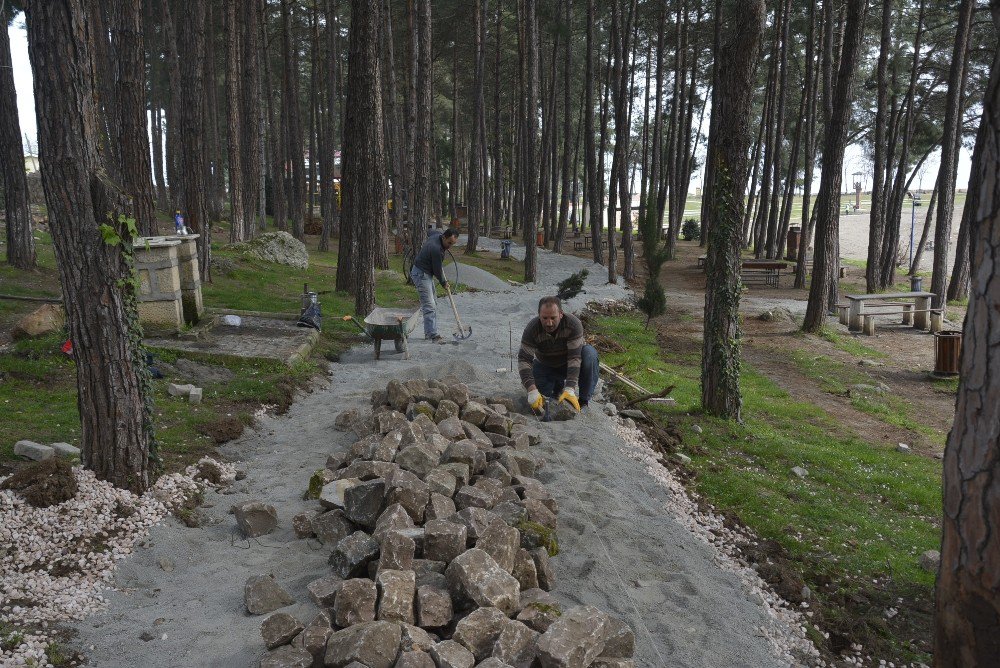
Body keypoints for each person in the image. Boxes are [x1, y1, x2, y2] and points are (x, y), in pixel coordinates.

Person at [518, 296, 599, 413]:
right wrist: (531, 389)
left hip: (569, 364)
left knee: (589, 353)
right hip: (546, 366)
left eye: (553, 318)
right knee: (541, 400)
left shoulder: (573, 324)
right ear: (539, 315)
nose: (549, 323)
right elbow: (524, 360)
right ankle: (557, 388)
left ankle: (583, 401)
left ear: (561, 314)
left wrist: (570, 388)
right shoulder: (532, 328)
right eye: (544, 318)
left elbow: (574, 358)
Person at [410, 227, 458, 343]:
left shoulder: (436, 235)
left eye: (453, 244)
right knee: (429, 305)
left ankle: (429, 332)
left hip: (426, 273)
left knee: (433, 302)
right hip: (421, 274)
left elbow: (429, 231)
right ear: (444, 237)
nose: (450, 246)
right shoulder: (436, 250)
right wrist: (444, 283)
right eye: (449, 243)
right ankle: (432, 335)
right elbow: (437, 271)